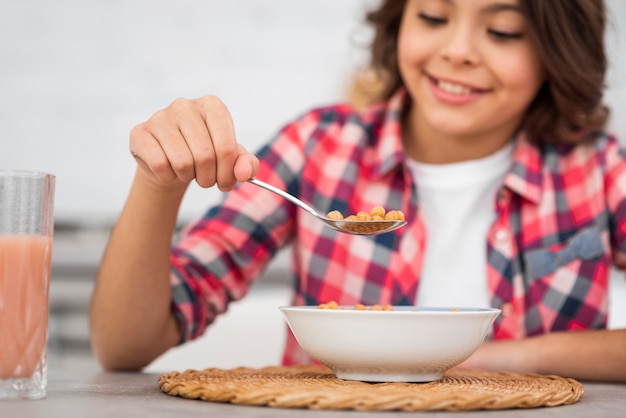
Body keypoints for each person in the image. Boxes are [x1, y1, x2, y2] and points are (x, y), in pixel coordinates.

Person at [89, 0, 626, 382]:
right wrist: (158, 184)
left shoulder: (598, 168)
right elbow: (126, 345)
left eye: (504, 30)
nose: (458, 50)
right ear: (399, 23)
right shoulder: (320, 146)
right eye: (434, 17)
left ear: (557, 49)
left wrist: (505, 359)